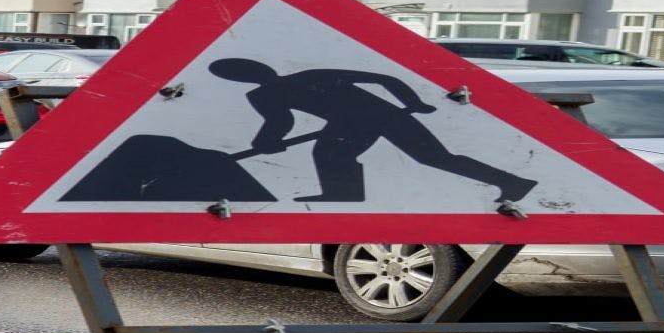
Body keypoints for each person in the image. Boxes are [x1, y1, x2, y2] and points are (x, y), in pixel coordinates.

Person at [210, 58, 538, 203]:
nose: (250, 74)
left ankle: (514, 181)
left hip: (382, 114)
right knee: (327, 151)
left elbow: (384, 79)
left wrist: (416, 103)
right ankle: (343, 193)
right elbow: (280, 122)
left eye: (247, 69)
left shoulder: (312, 75)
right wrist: (266, 141)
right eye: (240, 73)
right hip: (351, 122)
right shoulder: (265, 94)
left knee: (433, 158)